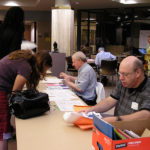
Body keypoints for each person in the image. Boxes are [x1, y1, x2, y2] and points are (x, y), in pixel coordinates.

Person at [0, 50, 52, 150]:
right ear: (43, 64)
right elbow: (15, 94)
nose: (43, 73)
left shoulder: (26, 60)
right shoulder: (26, 66)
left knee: (4, 124)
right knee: (3, 126)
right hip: (1, 89)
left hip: (3, 87)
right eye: (45, 70)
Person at [80, 56, 150, 123]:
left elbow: (145, 115)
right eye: (120, 74)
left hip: (134, 131)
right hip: (118, 125)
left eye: (125, 74)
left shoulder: (147, 87)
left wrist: (116, 120)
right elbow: (110, 100)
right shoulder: (124, 82)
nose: (121, 78)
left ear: (138, 73)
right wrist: (91, 110)